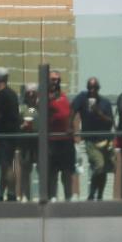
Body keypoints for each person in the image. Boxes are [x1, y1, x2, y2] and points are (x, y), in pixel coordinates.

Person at [71, 77, 115, 200]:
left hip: (105, 141)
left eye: (94, 88)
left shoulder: (105, 103)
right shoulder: (82, 98)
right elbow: (72, 110)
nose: (92, 90)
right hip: (91, 141)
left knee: (103, 170)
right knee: (99, 165)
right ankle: (91, 193)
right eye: (89, 88)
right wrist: (70, 126)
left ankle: (99, 194)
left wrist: (99, 113)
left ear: (98, 89)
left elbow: (111, 122)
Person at [0, 68, 20, 202]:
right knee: (5, 165)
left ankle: (12, 193)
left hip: (4, 137)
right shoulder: (13, 94)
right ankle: (1, 193)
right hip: (12, 135)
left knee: (6, 165)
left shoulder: (0, 95)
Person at [46, 71, 74, 201]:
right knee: (52, 171)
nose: (55, 82)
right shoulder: (42, 97)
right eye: (52, 79)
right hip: (51, 140)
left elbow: (69, 114)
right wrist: (27, 116)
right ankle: (52, 196)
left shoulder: (64, 96)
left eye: (57, 79)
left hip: (66, 140)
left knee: (67, 171)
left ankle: (68, 196)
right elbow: (32, 109)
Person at [18, 84, 40, 201]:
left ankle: (43, 195)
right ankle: (26, 195)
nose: (31, 94)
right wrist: (22, 126)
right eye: (28, 92)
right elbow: (15, 126)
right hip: (25, 143)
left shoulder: (42, 107)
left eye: (33, 92)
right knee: (25, 170)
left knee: (42, 169)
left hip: (39, 142)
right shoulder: (21, 108)